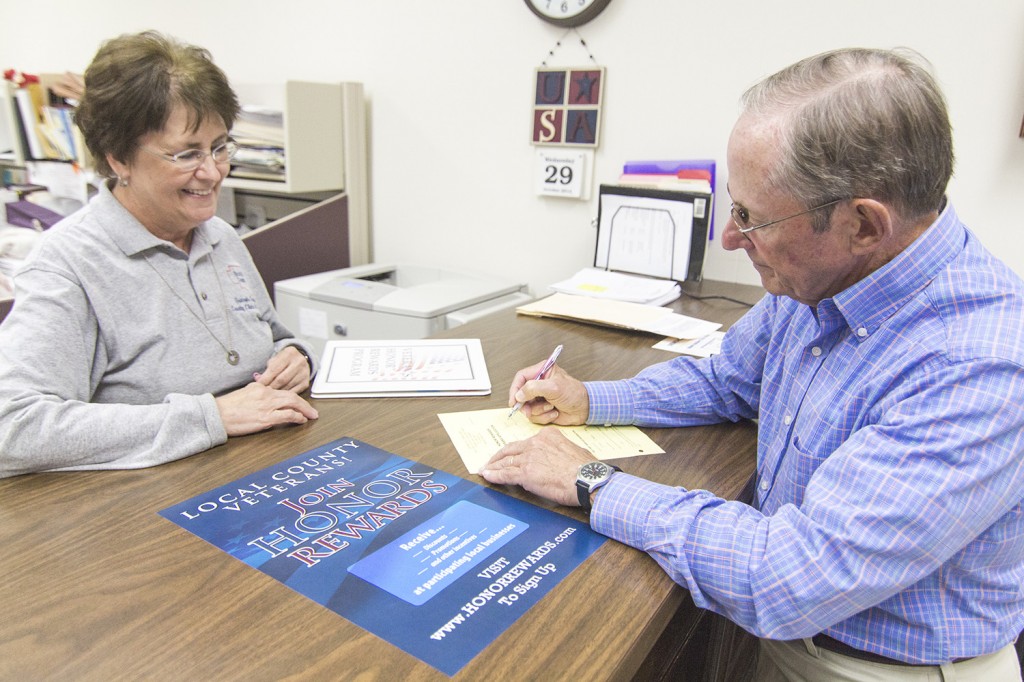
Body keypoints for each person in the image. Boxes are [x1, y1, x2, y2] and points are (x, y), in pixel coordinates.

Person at [481, 47, 1024, 680]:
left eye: (751, 217)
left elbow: (790, 577)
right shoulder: (821, 277)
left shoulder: (981, 364)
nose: (731, 240)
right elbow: (728, 378)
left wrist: (593, 480)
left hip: (882, 667)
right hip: (783, 635)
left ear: (864, 225)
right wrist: (593, 400)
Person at [0, 31, 319, 478]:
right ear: (118, 158)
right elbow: (14, 429)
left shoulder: (218, 236)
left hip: (258, 472)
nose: (211, 172)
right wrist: (212, 417)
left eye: (220, 147)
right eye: (186, 154)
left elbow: (268, 336)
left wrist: (295, 357)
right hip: (151, 507)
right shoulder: (68, 265)